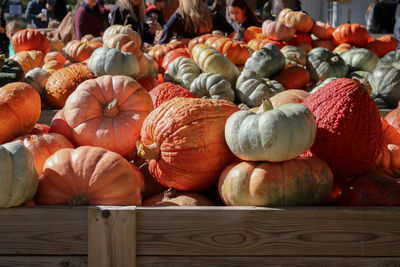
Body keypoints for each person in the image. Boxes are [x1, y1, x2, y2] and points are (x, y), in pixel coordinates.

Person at [159, 0, 234, 44]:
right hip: (209, 54)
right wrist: (222, 45)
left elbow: (166, 31)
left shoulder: (180, 15)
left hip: (186, 56)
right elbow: (231, 31)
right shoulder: (211, 14)